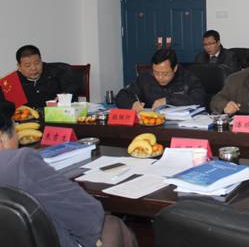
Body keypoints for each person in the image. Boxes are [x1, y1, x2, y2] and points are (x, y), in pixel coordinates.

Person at [0, 101, 137, 247]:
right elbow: (86, 213)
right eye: (15, 128)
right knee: (113, 225)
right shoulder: (19, 163)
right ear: (1, 137)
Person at [116, 49, 206, 112]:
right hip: (152, 126)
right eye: (156, 72)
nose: (160, 77)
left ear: (175, 68)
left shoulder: (188, 78)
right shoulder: (145, 78)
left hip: (180, 127)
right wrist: (132, 104)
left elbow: (199, 99)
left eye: (165, 73)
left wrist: (168, 100)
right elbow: (122, 95)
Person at [0, 45, 78, 109]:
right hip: (26, 121)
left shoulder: (58, 71)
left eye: (37, 63)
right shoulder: (10, 83)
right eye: (28, 65)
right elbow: (7, 110)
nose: (34, 68)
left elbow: (72, 88)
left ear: (41, 60)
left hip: (56, 118)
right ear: (19, 67)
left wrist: (65, 95)